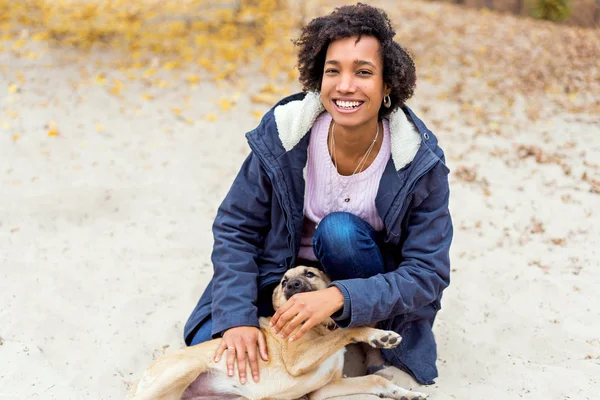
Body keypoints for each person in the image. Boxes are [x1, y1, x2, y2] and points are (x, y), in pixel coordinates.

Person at [183, 2, 452, 388]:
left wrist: (339, 297)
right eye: (333, 71)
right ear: (317, 78)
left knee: (338, 231)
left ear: (388, 84)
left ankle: (360, 335)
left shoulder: (418, 163)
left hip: (360, 282)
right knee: (216, 345)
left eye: (363, 72)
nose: (345, 86)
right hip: (282, 276)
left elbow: (428, 273)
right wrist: (238, 319)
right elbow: (236, 228)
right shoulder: (285, 138)